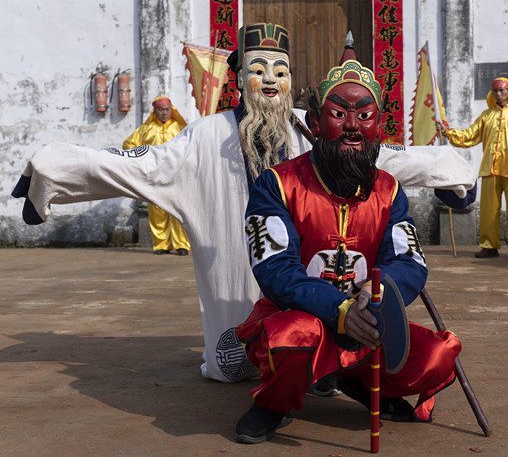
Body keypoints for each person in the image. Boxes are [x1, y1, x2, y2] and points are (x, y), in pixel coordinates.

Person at [11, 22, 475, 383]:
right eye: (258, 70)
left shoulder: (311, 129)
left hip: (315, 309)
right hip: (236, 315)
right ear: (237, 78)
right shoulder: (204, 139)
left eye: (280, 71)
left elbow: (388, 155)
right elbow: (134, 166)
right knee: (238, 364)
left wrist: (452, 173)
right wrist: (50, 172)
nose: (270, 81)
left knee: (321, 347)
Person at [233, 59, 462, 444]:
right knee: (294, 338)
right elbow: (276, 270)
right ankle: (273, 403)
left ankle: (358, 383)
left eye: (364, 116)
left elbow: (408, 261)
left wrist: (377, 296)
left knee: (437, 359)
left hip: (369, 319)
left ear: (378, 127)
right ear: (316, 123)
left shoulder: (389, 190)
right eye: (338, 114)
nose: (353, 126)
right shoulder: (277, 184)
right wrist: (339, 311)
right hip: (299, 319)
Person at [436, 78, 508, 259]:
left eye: (502, 91)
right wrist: (447, 132)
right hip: (490, 169)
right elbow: (469, 136)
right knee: (489, 210)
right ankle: (489, 245)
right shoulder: (487, 115)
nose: (499, 94)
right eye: (495, 91)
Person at [122, 96, 191, 256]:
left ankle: (182, 244)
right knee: (157, 209)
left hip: (176, 174)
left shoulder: (180, 127)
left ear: (171, 110)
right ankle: (161, 244)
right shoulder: (146, 129)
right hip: (154, 175)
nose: (164, 113)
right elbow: (129, 144)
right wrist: (142, 159)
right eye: (161, 110)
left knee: (178, 209)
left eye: (167, 109)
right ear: (155, 111)